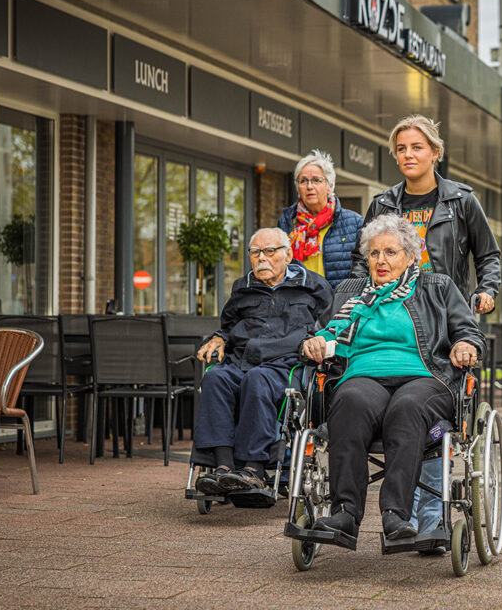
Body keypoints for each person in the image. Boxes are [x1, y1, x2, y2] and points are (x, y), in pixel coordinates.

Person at [350, 114, 501, 551]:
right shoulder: (382, 204)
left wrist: (486, 291)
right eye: (401, 149)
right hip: (393, 315)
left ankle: (429, 516)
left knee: (431, 412)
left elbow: (487, 256)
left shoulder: (461, 201)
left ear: (435, 153)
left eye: (417, 147)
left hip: (440, 317)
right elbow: (364, 263)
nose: (408, 155)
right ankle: (404, 516)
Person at [301, 214, 486, 545]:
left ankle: (396, 515)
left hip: (424, 377)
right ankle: (344, 512)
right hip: (363, 376)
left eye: (390, 252)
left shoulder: (437, 287)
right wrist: (313, 342)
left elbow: (468, 330)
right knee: (349, 401)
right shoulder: (349, 291)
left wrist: (464, 343)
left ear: (411, 257)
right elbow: (322, 332)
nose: (381, 260)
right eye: (374, 253)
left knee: (407, 407)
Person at [193, 228, 331, 494]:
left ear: (288, 254)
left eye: (270, 251)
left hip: (286, 362)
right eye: (255, 253)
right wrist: (220, 338)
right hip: (241, 359)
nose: (261, 259)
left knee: (257, 381)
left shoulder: (313, 285)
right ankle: (223, 466)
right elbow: (229, 325)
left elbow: (328, 326)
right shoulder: (243, 287)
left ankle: (253, 467)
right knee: (215, 378)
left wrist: (317, 340)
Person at [277, 149, 364, 289]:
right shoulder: (287, 222)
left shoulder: (354, 223)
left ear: (330, 186)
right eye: (303, 181)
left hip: (338, 305)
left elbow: (363, 271)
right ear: (298, 187)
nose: (309, 186)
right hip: (299, 304)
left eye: (316, 180)